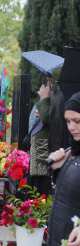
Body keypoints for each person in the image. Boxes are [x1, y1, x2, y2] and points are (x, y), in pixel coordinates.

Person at [47, 92, 80, 246]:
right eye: (67, 121)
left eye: (77, 121)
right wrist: (57, 170)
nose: (71, 127)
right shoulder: (72, 152)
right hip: (58, 236)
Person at [27, 82, 51, 195]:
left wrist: (45, 98)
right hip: (37, 152)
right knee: (33, 189)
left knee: (39, 191)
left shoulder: (53, 98)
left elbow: (47, 118)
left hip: (43, 152)